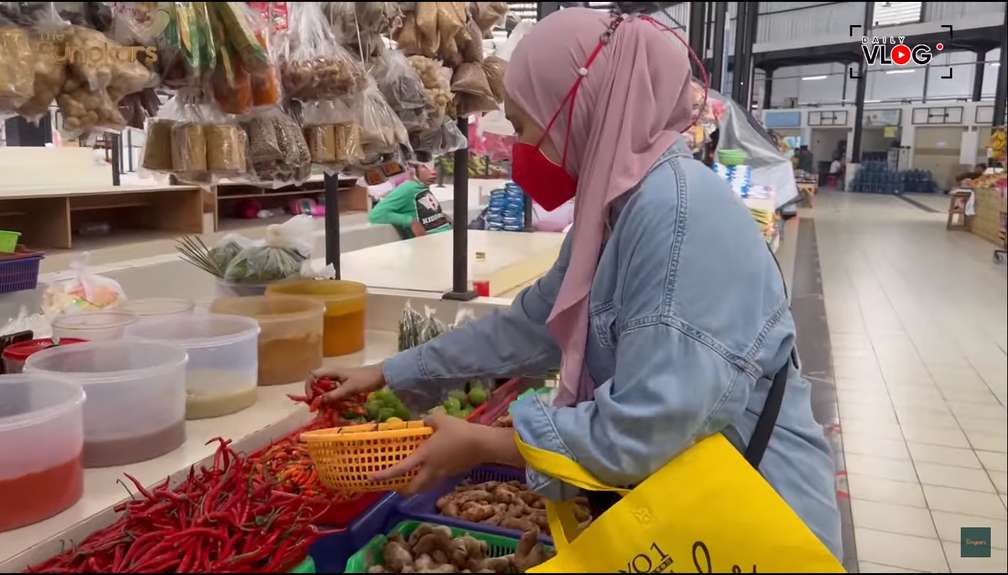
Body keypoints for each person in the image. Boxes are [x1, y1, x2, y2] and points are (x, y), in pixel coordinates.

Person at [317, 8, 841, 559]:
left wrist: (486, 445)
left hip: (757, 525)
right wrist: (388, 372)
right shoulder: (616, 211)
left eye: (523, 125)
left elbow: (651, 421)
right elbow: (530, 325)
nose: (520, 149)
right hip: (689, 524)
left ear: (578, 109)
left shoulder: (677, 215)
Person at [368, 162, 451, 238]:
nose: (433, 172)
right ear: (412, 170)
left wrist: (440, 215)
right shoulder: (407, 188)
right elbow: (376, 215)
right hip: (432, 244)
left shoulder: (422, 187)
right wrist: (411, 221)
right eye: (424, 167)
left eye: (433, 167)